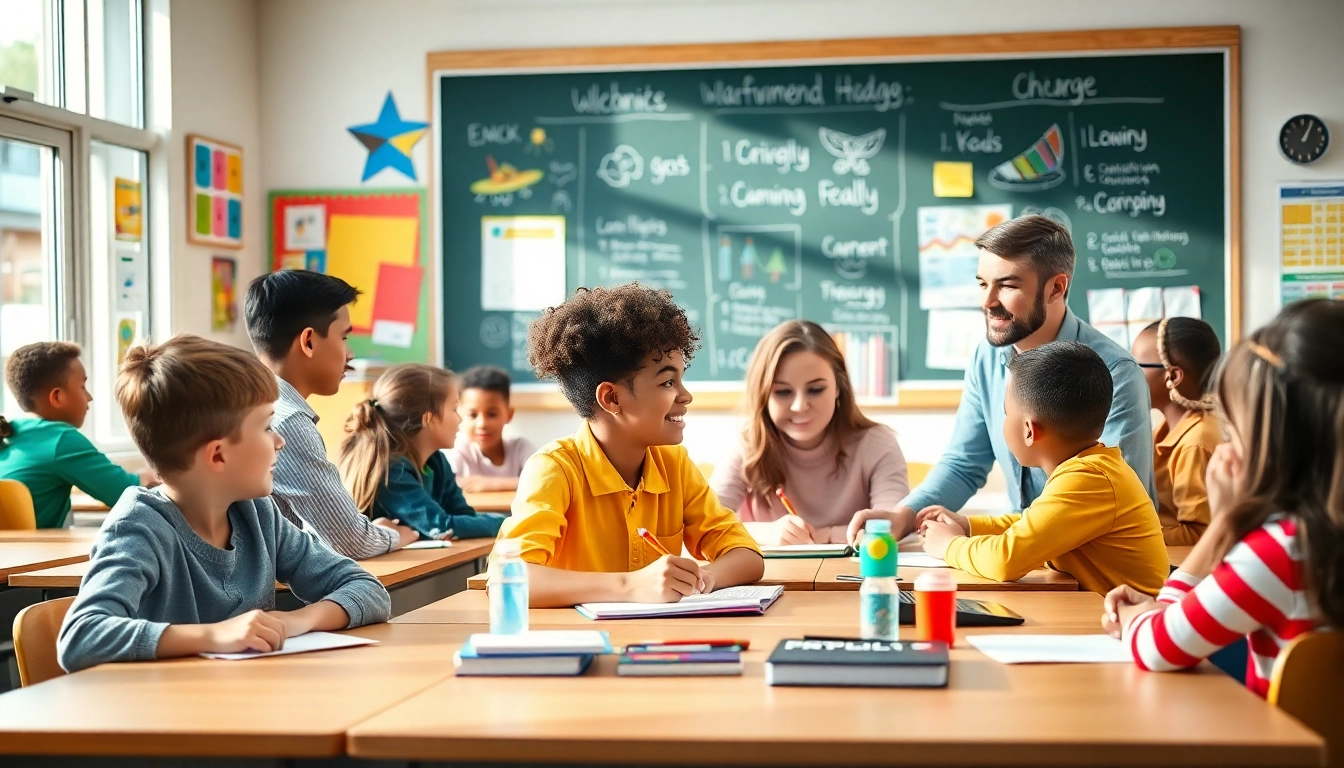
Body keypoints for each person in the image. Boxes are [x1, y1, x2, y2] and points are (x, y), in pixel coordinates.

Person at [57, 335, 391, 673]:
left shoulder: (257, 514)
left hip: (248, 706)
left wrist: (293, 623)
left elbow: (367, 589)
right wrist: (214, 636)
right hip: (170, 715)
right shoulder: (139, 527)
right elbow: (81, 637)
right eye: (265, 427)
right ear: (218, 455)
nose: (280, 441)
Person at [849, 215, 1155, 543]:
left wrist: (968, 539)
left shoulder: (1114, 373)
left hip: (1095, 576)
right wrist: (904, 515)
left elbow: (1108, 507)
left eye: (1007, 285)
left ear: (1056, 288)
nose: (987, 302)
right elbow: (964, 463)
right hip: (1028, 566)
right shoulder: (988, 357)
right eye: (983, 283)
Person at [1104, 299, 1344, 697]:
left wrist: (1224, 525)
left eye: (1233, 428)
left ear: (1270, 438)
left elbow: (1156, 647)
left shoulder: (1283, 552)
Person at [502, 284, 764, 607]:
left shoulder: (673, 463)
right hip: (584, 649)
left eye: (681, 379)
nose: (686, 396)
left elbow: (747, 555)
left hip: (655, 646)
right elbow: (509, 578)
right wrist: (629, 586)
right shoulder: (555, 469)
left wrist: (702, 578)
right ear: (612, 398)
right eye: (668, 382)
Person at [919, 341, 1168, 596]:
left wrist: (949, 545)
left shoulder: (1088, 479)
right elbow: (1034, 524)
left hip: (1135, 625)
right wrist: (968, 525)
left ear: (1028, 430)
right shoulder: (1089, 467)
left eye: (1006, 413)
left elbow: (1005, 560)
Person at [245, 270, 417, 558]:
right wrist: (397, 534)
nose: (350, 355)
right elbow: (351, 541)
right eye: (345, 337)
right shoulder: (287, 422)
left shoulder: (247, 403)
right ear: (309, 342)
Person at [711, 320, 908, 545]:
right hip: (772, 578)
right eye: (783, 392)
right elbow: (705, 524)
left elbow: (892, 527)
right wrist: (766, 533)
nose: (799, 406)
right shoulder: (748, 446)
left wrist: (821, 535)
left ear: (838, 387)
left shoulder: (877, 444)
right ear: (763, 396)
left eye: (815, 389)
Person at [338, 363, 505, 540]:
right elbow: (441, 527)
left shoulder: (437, 461)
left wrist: (491, 523)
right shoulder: (392, 470)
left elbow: (464, 515)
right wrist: (508, 523)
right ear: (429, 419)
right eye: (454, 409)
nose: (460, 418)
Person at [0, 341, 155, 527]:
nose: (89, 397)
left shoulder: (11, 431)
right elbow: (126, 494)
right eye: (82, 386)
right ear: (57, 397)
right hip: (30, 555)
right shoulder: (59, 439)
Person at [1131, 317, 1223, 545]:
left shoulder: (1195, 443)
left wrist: (1129, 539)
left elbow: (1197, 535)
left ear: (1172, 376)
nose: (1129, 375)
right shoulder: (1166, 428)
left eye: (1136, 365)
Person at [445, 365, 535, 492]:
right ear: (459, 414)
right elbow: (446, 487)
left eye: (492, 414)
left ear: (509, 415)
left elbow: (541, 481)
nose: (482, 424)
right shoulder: (457, 450)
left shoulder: (521, 448)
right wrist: (518, 483)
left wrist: (489, 484)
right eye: (473, 415)